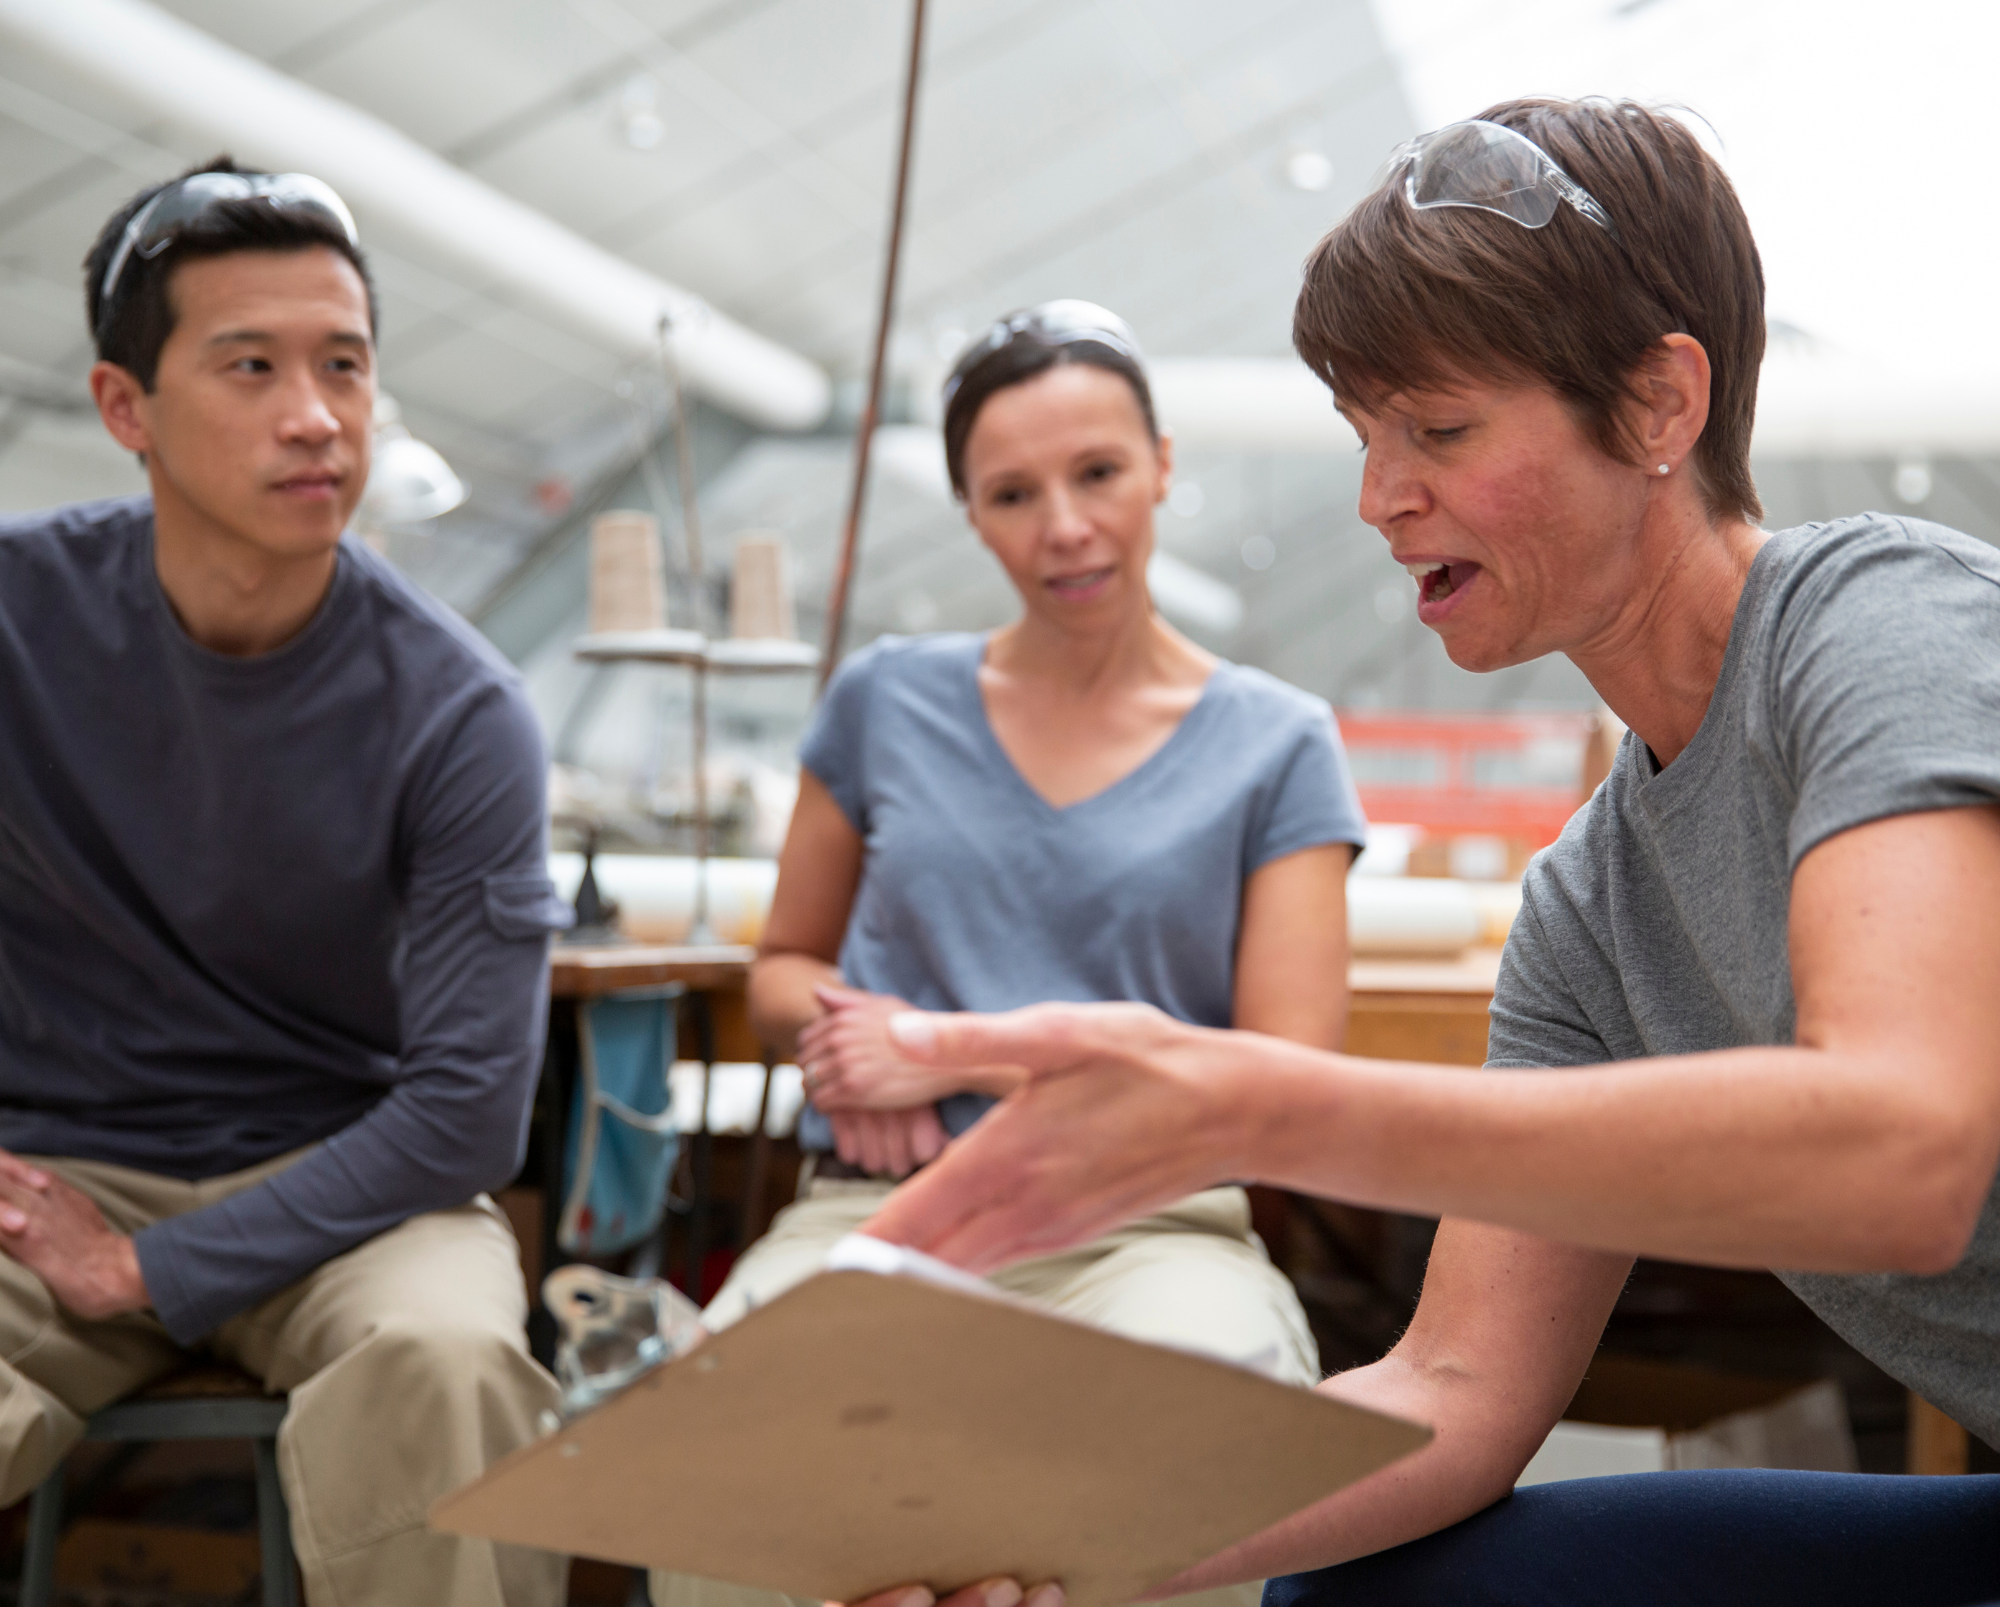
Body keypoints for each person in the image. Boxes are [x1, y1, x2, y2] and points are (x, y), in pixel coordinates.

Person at [851, 100, 2000, 1607]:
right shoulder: (1593, 907)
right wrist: (1048, 1531)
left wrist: (1255, 1105)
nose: (1379, 494)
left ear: (1661, 405)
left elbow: (1900, 1156)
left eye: (1440, 429)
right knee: (1354, 1594)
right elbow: (1457, 1385)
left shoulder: (1881, 623)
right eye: (1366, 435)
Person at [650, 302, 1368, 1607]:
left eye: (1097, 473)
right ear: (972, 512)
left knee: (1199, 1466)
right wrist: (850, 1043)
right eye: (1013, 492)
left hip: (1147, 1227)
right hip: (885, 1214)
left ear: (1160, 460)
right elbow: (781, 966)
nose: (1066, 526)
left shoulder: (1279, 742)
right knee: (721, 1491)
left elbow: (1287, 1076)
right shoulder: (883, 699)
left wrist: (940, 1045)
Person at [0, 159, 571, 1606]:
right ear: (127, 407)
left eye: (345, 364)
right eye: (250, 366)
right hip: (53, 1161)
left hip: (353, 1175)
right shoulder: (16, 621)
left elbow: (467, 1110)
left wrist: (152, 1272)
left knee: (451, 1371)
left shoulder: (461, 712)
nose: (316, 415)